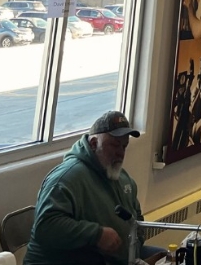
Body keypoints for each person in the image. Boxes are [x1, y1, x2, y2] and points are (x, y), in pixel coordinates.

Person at [25, 111, 160, 265]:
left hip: (119, 259)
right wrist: (97, 235)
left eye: (124, 146)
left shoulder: (123, 178)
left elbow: (136, 217)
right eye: (115, 145)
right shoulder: (67, 178)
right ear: (94, 143)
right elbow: (46, 225)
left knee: (166, 256)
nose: (121, 153)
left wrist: (137, 240)